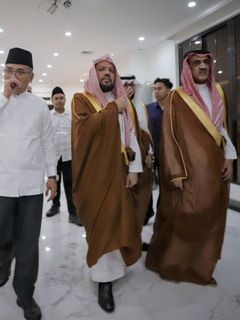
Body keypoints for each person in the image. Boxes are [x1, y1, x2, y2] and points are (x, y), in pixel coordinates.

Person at [0, 47, 57, 320]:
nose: (14, 76)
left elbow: (47, 142)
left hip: (32, 186)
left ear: (31, 77)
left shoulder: (39, 107)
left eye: (20, 72)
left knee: (29, 243)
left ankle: (25, 293)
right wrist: (5, 96)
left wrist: (52, 175)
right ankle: (4, 257)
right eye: (9, 70)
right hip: (0, 184)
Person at [146, 50, 237, 286]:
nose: (203, 66)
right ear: (188, 68)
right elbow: (169, 135)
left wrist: (229, 156)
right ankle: (173, 263)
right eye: (197, 63)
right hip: (188, 171)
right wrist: (175, 170)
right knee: (186, 215)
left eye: (207, 62)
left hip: (215, 167)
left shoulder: (219, 92)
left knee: (212, 216)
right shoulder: (178, 97)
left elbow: (223, 129)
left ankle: (200, 266)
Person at [71, 54, 142, 313]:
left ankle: (111, 273)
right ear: (94, 74)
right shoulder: (82, 100)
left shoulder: (122, 102)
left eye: (111, 70)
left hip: (121, 172)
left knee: (117, 220)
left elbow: (131, 136)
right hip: (94, 176)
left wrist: (134, 169)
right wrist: (115, 108)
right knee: (101, 223)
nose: (107, 73)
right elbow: (84, 130)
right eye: (101, 69)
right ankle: (103, 280)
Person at [121, 74, 155, 243]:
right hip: (122, 163)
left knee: (140, 202)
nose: (129, 88)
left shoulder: (141, 106)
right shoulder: (114, 106)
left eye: (132, 85)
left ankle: (136, 239)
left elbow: (146, 132)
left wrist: (149, 153)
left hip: (142, 162)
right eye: (125, 84)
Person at [45, 86, 82, 226]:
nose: (59, 101)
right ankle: (55, 205)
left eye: (61, 98)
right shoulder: (48, 117)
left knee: (69, 183)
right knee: (55, 182)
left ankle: (73, 213)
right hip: (53, 156)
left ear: (65, 100)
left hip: (68, 155)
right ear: (52, 100)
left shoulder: (72, 116)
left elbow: (77, 135)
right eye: (56, 98)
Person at [146, 77, 173, 185]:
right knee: (148, 186)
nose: (156, 91)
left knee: (168, 186)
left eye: (159, 89)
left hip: (169, 154)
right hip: (152, 154)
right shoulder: (148, 108)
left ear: (168, 90)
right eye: (155, 89)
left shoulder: (175, 109)